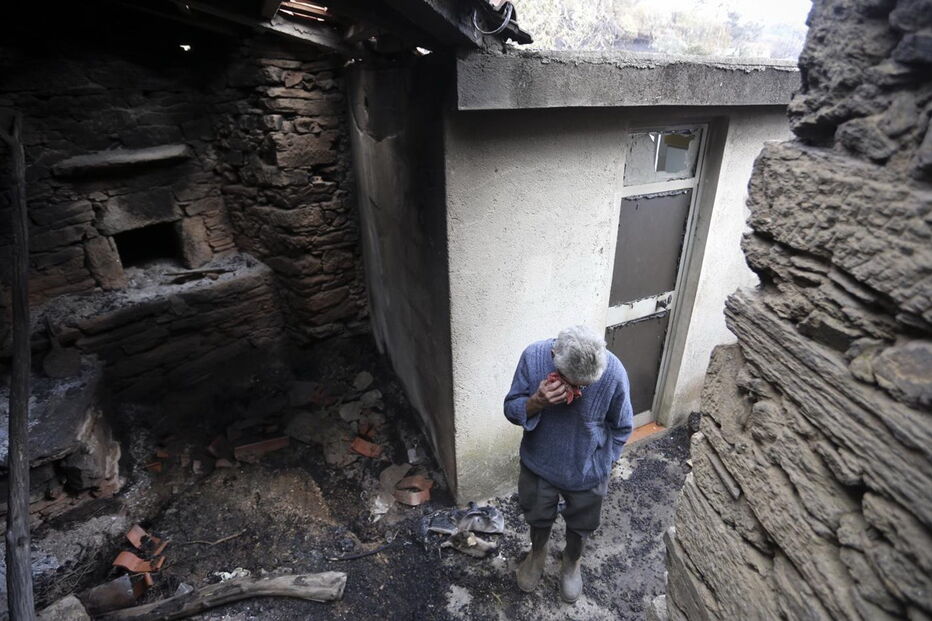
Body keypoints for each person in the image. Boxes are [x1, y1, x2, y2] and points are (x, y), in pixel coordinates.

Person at [504, 325, 634, 603]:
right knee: (537, 514)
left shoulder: (613, 371)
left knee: (583, 523)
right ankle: (537, 553)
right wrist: (536, 402)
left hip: (588, 470)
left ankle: (572, 562)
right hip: (540, 462)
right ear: (554, 355)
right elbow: (510, 408)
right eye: (571, 382)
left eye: (584, 386)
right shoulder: (534, 356)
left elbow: (622, 426)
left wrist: (605, 462)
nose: (577, 391)